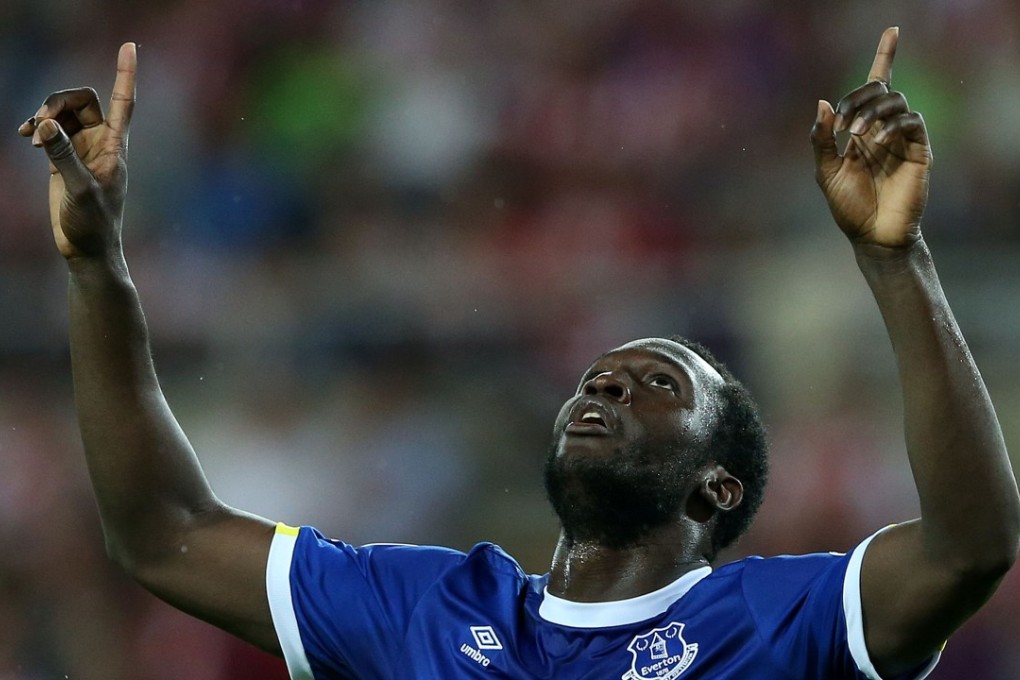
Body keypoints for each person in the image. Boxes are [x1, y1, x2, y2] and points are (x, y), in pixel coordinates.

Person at [17, 27, 1019, 680]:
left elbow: (969, 545)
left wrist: (894, 259)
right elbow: (162, 532)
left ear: (717, 487)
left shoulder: (779, 620)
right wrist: (99, 264)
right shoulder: (424, 609)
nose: (610, 380)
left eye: (659, 381)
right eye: (597, 377)